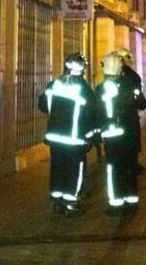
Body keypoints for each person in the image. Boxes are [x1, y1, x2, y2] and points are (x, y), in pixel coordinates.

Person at [38, 53, 94, 216]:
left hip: (55, 136)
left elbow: (43, 106)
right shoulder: (83, 88)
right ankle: (71, 203)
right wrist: (90, 136)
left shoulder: (54, 84)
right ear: (82, 68)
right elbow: (90, 114)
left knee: (58, 168)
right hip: (75, 138)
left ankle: (57, 200)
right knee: (75, 170)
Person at [94, 51, 146, 215]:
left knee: (114, 169)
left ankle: (116, 203)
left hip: (112, 136)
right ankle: (131, 202)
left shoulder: (101, 88)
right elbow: (142, 104)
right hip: (130, 133)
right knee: (130, 167)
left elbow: (97, 114)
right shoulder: (130, 85)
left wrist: (96, 134)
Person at [116, 47, 146, 173]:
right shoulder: (133, 77)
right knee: (133, 141)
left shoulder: (112, 77)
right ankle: (133, 165)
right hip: (130, 116)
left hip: (115, 117)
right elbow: (140, 101)